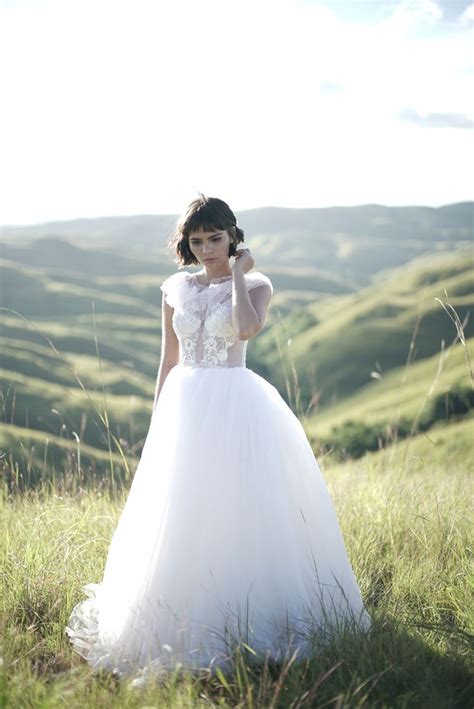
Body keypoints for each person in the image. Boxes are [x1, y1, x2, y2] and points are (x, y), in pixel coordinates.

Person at [65, 193, 371, 685]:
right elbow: (168, 359)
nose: (207, 248)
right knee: (183, 509)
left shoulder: (256, 284)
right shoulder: (174, 289)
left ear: (233, 238)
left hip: (236, 406)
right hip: (184, 408)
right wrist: (158, 418)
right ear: (187, 243)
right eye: (197, 240)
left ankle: (248, 617)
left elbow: (247, 329)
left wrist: (237, 275)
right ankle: (175, 620)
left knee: (239, 507)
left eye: (216, 239)